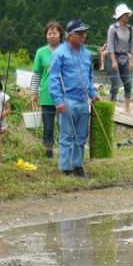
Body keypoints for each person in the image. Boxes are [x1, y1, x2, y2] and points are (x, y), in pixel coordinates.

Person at [49, 19, 100, 178]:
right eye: (80, 33)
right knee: (66, 135)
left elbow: (89, 78)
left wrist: (93, 94)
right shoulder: (60, 53)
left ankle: (78, 165)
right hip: (67, 99)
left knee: (81, 134)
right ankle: (65, 167)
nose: (83, 36)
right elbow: (54, 78)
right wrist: (58, 100)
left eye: (84, 33)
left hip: (83, 100)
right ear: (70, 36)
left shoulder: (86, 54)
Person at [31, 20, 63, 159]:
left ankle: (64, 152)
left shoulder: (66, 50)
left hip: (64, 95)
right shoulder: (41, 53)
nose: (52, 36)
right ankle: (49, 153)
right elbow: (37, 74)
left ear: (60, 35)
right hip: (46, 95)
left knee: (64, 126)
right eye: (49, 33)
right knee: (48, 126)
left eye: (55, 33)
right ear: (46, 36)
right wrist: (34, 93)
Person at [106, 4, 133, 113]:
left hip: (125, 57)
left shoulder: (131, 29)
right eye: (125, 14)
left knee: (128, 83)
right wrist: (113, 61)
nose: (127, 16)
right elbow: (110, 46)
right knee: (115, 84)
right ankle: (111, 107)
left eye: (127, 14)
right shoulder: (113, 28)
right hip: (114, 57)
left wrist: (132, 61)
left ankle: (127, 107)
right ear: (120, 15)